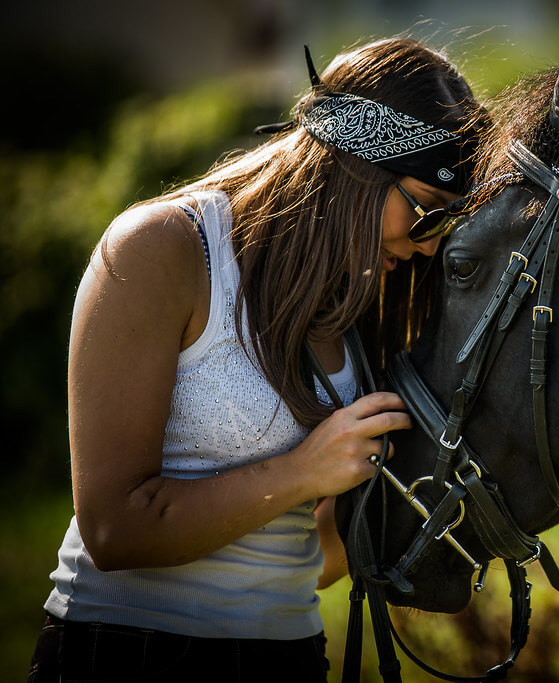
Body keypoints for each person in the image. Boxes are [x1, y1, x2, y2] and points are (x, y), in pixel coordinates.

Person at [28, 36, 486, 682]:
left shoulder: (352, 305)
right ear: (354, 166)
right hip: (126, 652)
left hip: (287, 657)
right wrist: (303, 471)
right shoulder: (163, 251)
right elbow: (113, 530)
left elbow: (310, 558)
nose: (426, 248)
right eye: (425, 213)